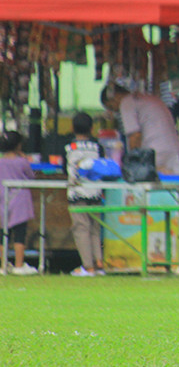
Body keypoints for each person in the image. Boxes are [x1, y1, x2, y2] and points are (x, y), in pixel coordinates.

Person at [102, 81, 179, 175]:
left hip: (155, 153)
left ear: (116, 97)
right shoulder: (148, 98)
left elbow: (135, 136)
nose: (114, 111)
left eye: (111, 106)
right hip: (174, 150)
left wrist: (134, 162)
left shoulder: (127, 103)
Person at [63, 113, 106, 277]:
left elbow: (64, 168)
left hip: (77, 192)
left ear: (72, 128)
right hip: (95, 192)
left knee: (81, 228)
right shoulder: (98, 147)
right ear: (92, 128)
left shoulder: (68, 147)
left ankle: (88, 267)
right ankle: (99, 262)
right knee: (95, 228)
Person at [0, 131, 37, 275]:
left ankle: (3, 265)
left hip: (3, 200)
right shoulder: (22, 161)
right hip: (20, 201)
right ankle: (19, 265)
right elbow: (31, 177)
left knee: (3, 234)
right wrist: (25, 158)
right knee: (20, 234)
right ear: (18, 145)